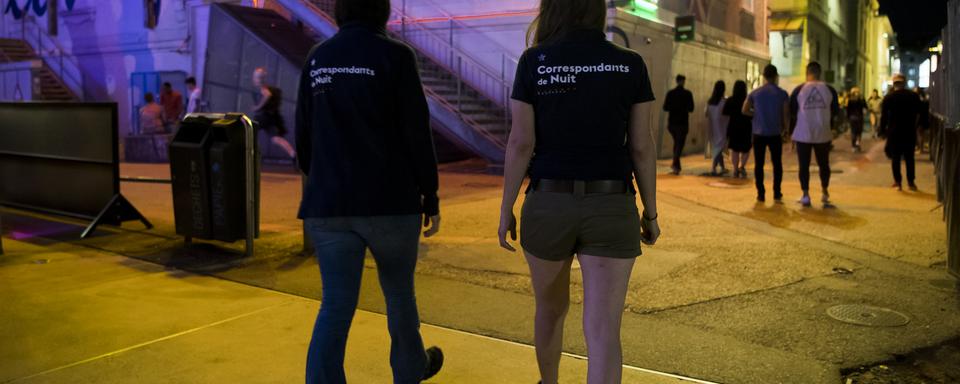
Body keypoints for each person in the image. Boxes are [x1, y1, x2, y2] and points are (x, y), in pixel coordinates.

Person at [498, 0, 660, 382]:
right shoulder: (631, 64)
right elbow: (642, 146)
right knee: (603, 330)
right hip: (611, 203)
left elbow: (521, 142)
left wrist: (506, 207)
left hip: (548, 201)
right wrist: (650, 212)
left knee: (550, 310)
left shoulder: (534, 61)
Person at [294, 0, 444, 382]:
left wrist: (325, 180)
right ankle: (410, 371)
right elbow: (416, 130)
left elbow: (304, 135)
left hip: (330, 204)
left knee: (336, 305)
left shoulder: (318, 59)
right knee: (399, 296)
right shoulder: (395, 56)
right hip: (390, 200)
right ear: (383, 10)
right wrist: (429, 193)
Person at [790, 61, 839, 207]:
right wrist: (832, 127)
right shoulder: (829, 89)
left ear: (807, 73)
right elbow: (835, 112)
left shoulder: (799, 90)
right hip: (823, 133)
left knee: (803, 165)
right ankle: (824, 192)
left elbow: (792, 112)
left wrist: (790, 131)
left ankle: (806, 195)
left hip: (803, 133)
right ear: (820, 73)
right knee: (824, 164)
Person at [743, 64, 789, 202]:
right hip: (775, 134)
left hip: (758, 133)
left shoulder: (755, 93)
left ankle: (761, 193)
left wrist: (755, 113)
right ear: (775, 77)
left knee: (759, 164)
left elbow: (744, 110)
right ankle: (777, 192)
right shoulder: (782, 94)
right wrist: (786, 129)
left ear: (764, 77)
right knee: (777, 164)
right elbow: (785, 114)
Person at [879, 73, 922, 191]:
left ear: (894, 84)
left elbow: (884, 117)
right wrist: (916, 126)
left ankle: (897, 182)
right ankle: (911, 182)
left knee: (895, 158)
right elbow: (919, 114)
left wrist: (882, 131)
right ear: (904, 83)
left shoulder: (889, 97)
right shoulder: (913, 96)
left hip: (894, 132)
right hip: (909, 131)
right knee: (909, 157)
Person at [252, 68, 297, 159]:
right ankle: (293, 155)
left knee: (248, 131)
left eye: (257, 77)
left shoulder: (263, 88)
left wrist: (258, 107)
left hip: (263, 117)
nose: (255, 79)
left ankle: (249, 155)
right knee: (276, 139)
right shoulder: (264, 88)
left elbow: (267, 95)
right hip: (271, 119)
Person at [663, 74, 694, 175]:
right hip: (682, 123)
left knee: (677, 144)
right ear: (683, 81)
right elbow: (691, 109)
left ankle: (676, 167)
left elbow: (665, 107)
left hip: (672, 122)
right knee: (679, 145)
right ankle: (675, 165)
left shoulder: (671, 93)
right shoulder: (688, 93)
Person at [724, 80, 752, 179]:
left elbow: (725, 113)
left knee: (734, 149)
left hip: (733, 127)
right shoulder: (748, 99)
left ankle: (735, 169)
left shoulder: (730, 100)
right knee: (746, 148)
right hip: (746, 127)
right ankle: (742, 166)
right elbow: (752, 113)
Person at [705, 80, 728, 175]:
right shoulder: (723, 102)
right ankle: (714, 167)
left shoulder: (710, 102)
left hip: (712, 127)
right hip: (722, 127)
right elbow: (726, 116)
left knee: (717, 147)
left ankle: (722, 167)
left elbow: (706, 114)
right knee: (719, 148)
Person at [846, 87, 868, 152]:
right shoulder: (862, 99)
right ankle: (857, 144)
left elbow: (848, 110)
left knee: (853, 132)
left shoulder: (850, 100)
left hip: (852, 118)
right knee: (859, 132)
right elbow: (866, 107)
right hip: (859, 117)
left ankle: (853, 146)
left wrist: (847, 118)